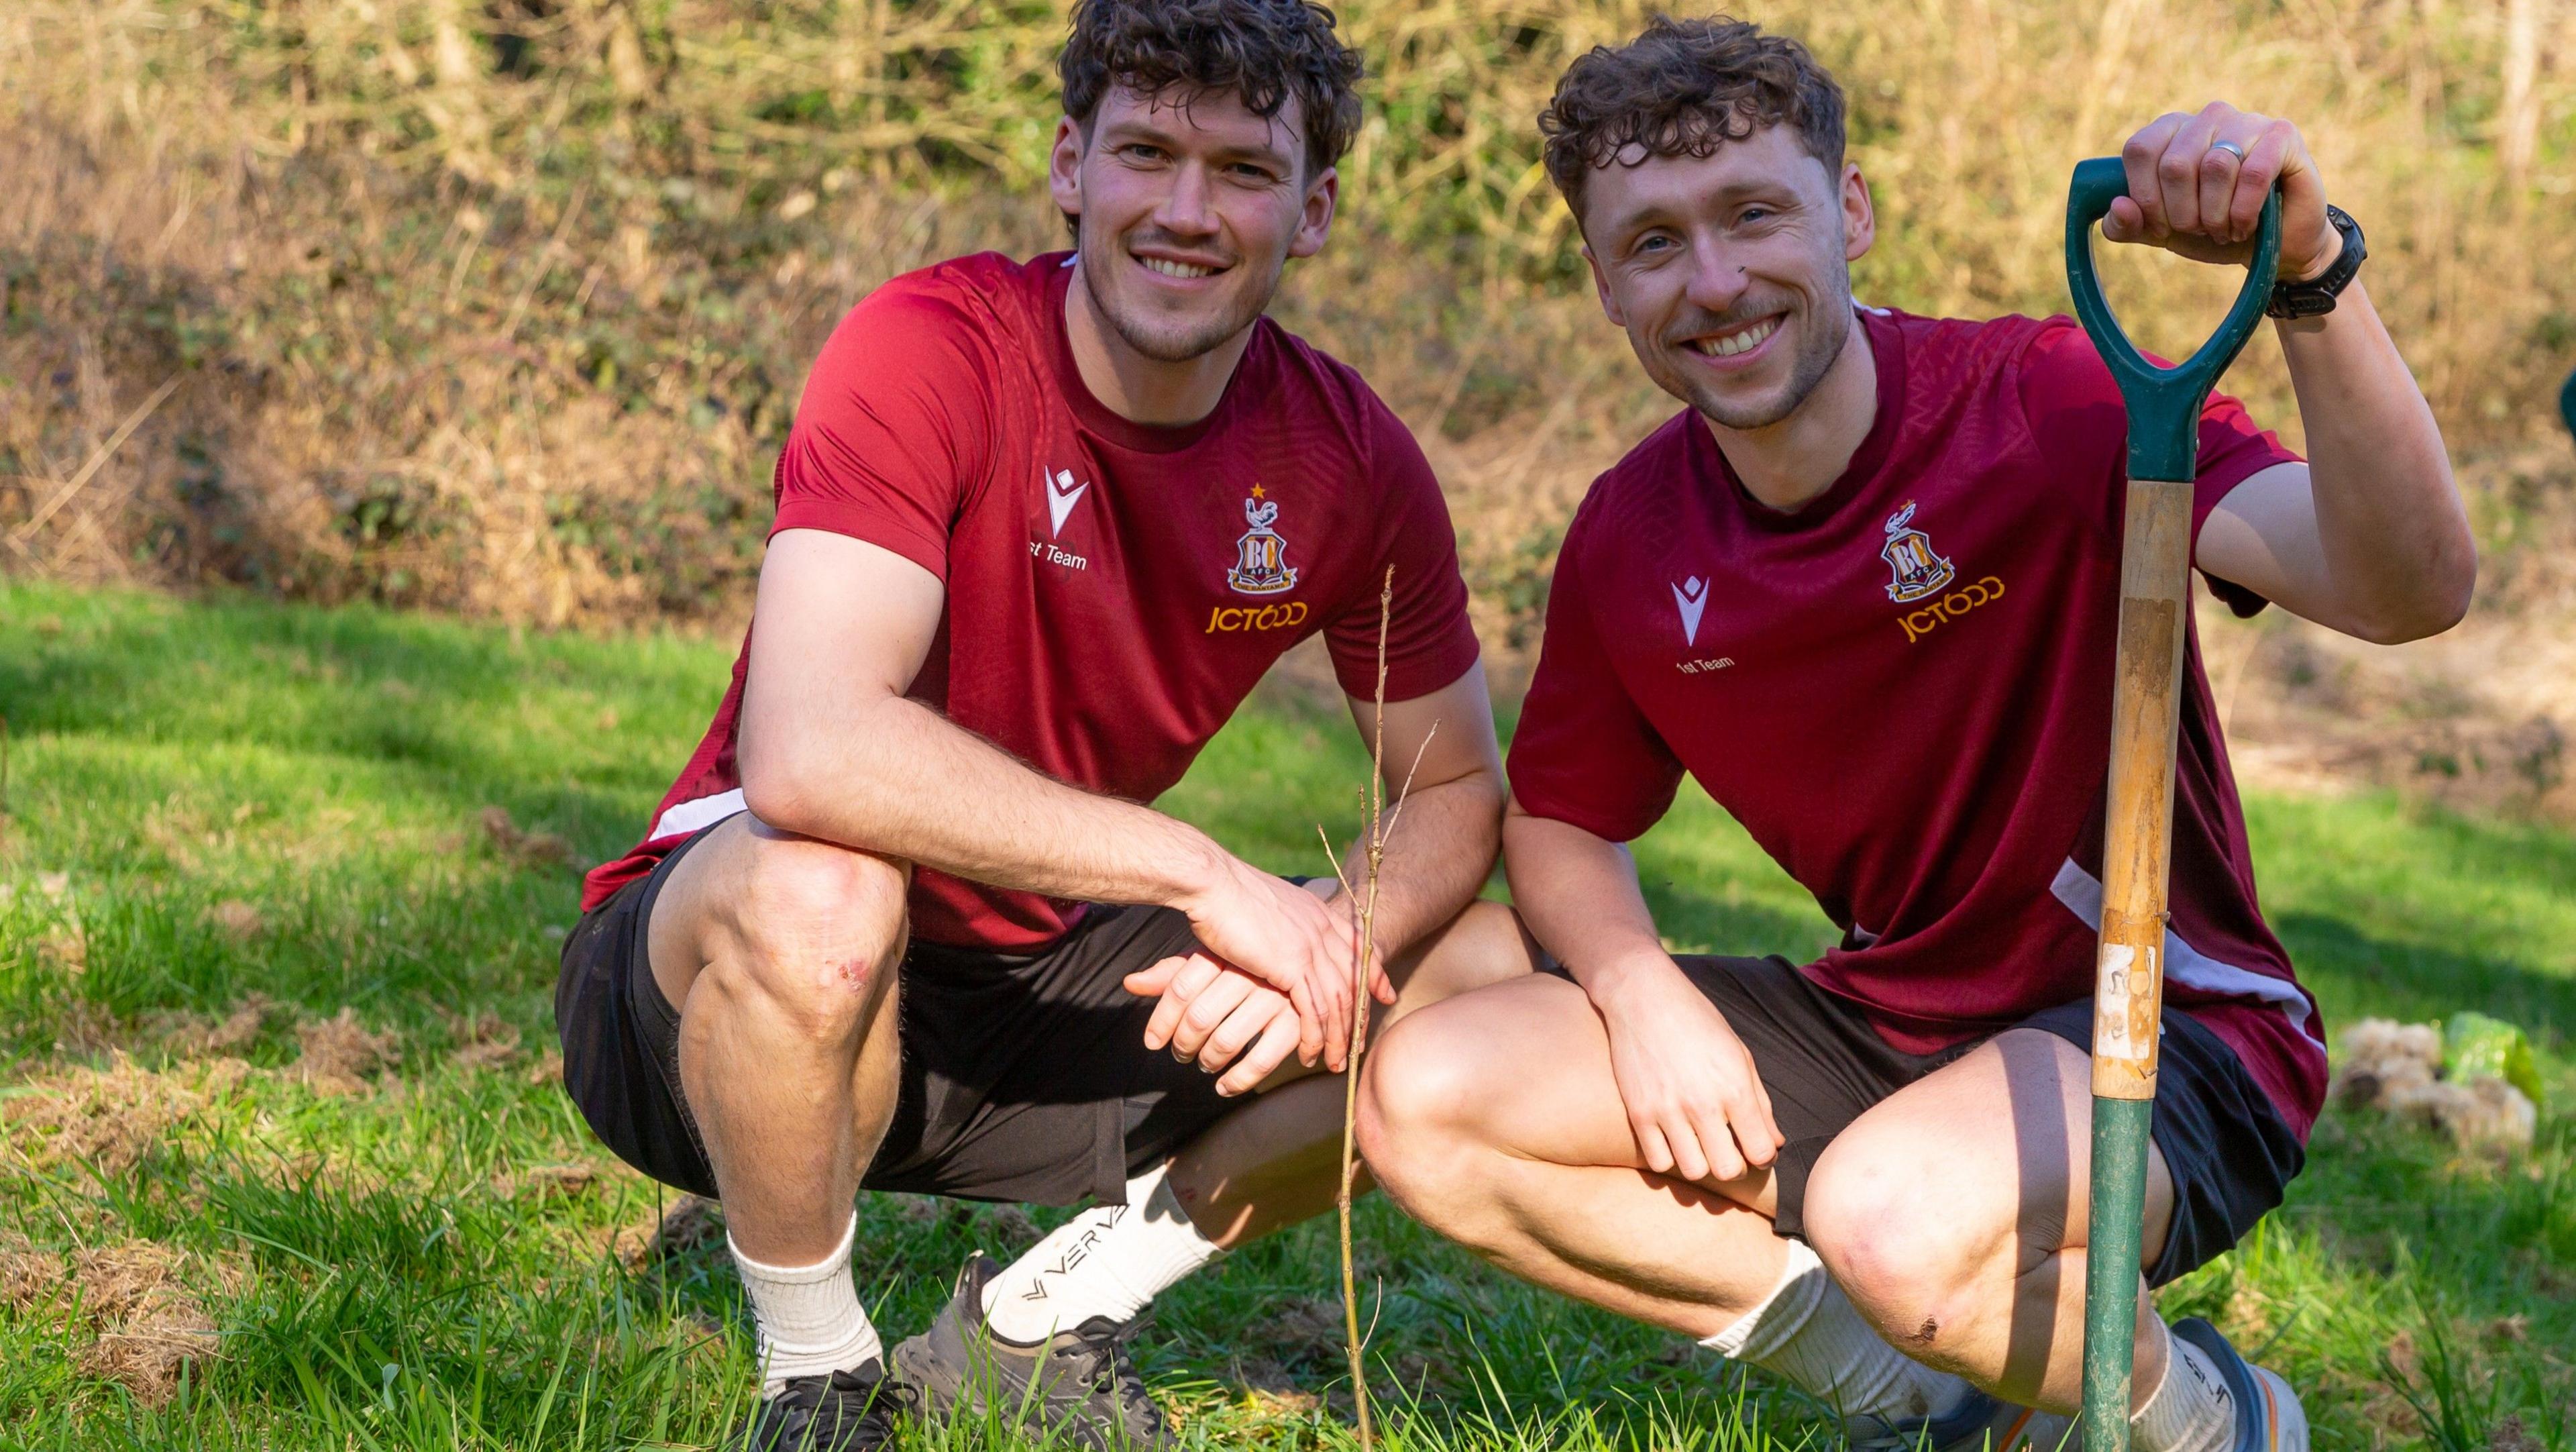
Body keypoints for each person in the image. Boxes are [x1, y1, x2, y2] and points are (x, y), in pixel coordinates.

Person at [1358, 16, 2471, 1451]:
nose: (1714, 280)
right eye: (1652, 243)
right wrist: (1640, 989)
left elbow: (2407, 589)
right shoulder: (1633, 539)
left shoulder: (2050, 407)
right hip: (1898, 1021)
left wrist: (2312, 280)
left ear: (1855, 210)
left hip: (2166, 1024)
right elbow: (1563, 818)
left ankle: (2208, 1421)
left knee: (1884, 1213)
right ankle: (1938, 1397)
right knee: (1427, 1098)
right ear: (1601, 281)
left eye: (1755, 213)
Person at [552, 1, 1527, 1447]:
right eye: (1145, 152)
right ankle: (816, 1376)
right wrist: (1210, 877)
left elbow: (1454, 790)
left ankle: (1044, 1319)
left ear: (1313, 209)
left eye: (1244, 172)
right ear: (1071, 164)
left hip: (1038, 988)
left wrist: (1331, 944)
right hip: (725, 986)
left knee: (1485, 971)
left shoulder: (1349, 458)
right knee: (828, 886)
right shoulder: (933, 347)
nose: (1187, 211)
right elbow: (809, 748)